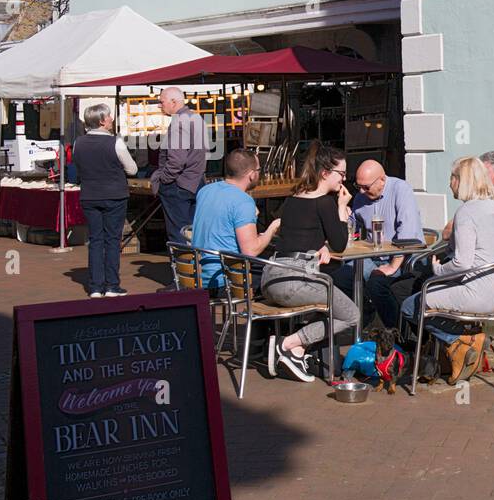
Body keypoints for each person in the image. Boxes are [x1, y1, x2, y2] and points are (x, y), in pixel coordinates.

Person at [401, 156, 494, 383]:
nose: (449, 183)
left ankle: (459, 341)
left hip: (475, 293)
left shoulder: (467, 212)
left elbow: (462, 263)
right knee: (430, 293)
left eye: (452, 177)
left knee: (410, 305)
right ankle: (462, 345)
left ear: (463, 180)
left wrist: (437, 270)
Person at [259, 142, 360, 382]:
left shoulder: (293, 198)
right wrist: (342, 208)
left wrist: (320, 246)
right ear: (325, 173)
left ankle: (298, 351)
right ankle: (289, 344)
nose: (344, 179)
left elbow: (301, 235)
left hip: (272, 278)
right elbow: (340, 244)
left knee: (330, 306)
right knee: (351, 315)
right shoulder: (325, 202)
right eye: (341, 174)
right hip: (295, 283)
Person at [72, 104, 137, 298]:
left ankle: (95, 286)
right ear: (101, 121)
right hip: (114, 195)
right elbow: (132, 169)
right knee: (111, 240)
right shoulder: (115, 143)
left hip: (90, 195)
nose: (111, 119)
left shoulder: (78, 143)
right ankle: (111, 285)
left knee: (95, 241)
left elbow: (78, 165)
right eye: (109, 117)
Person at [191, 149, 280, 288]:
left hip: (198, 274)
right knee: (282, 275)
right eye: (258, 170)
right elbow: (251, 251)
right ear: (251, 175)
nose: (259, 173)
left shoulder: (206, 191)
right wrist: (272, 228)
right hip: (225, 280)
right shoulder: (243, 201)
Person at [153, 86, 210, 245]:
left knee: (179, 234)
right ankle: (196, 267)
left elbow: (176, 161)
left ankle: (183, 268)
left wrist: (164, 179)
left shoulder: (180, 122)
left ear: (173, 102)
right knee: (194, 232)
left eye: (162, 101)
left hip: (180, 184)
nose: (159, 105)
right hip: (196, 181)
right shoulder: (196, 118)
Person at [350, 159, 422, 281]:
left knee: (376, 282)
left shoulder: (400, 189)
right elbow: (351, 229)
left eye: (366, 187)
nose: (361, 191)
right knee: (338, 279)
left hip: (402, 259)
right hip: (372, 256)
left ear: (382, 180)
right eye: (358, 186)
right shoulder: (360, 197)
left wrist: (392, 266)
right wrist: (342, 207)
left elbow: (407, 231)